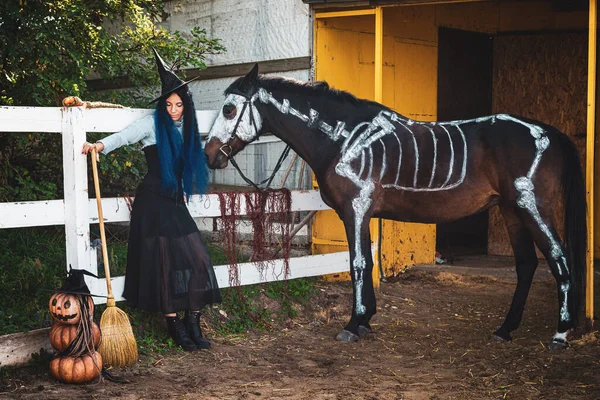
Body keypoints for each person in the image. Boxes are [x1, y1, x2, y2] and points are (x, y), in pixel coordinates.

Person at [82, 49, 221, 351]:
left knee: (198, 260)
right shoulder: (150, 123)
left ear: (186, 105)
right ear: (162, 104)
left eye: (178, 104)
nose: (173, 110)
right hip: (152, 201)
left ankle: (193, 321)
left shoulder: (189, 129)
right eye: (168, 104)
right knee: (163, 264)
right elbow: (124, 136)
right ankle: (175, 326)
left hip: (174, 202)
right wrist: (99, 145)